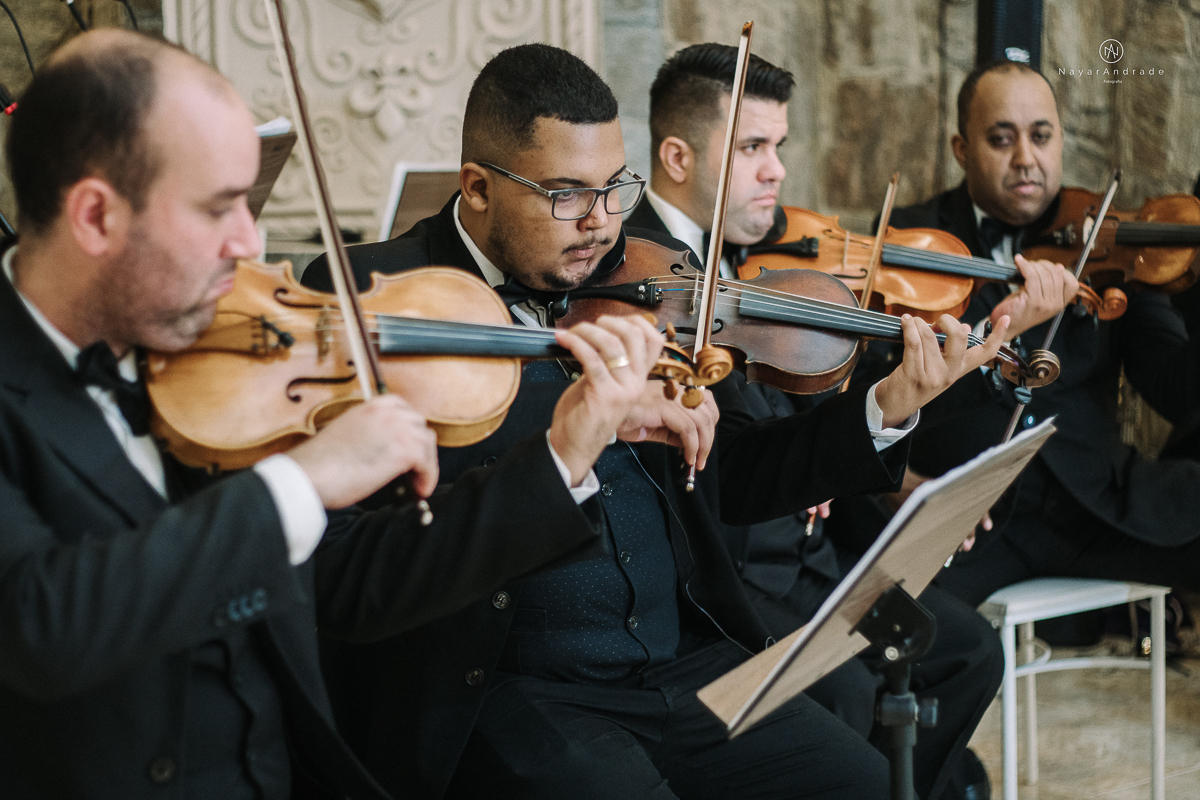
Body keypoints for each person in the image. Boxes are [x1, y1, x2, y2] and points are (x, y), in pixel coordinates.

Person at [303, 43, 1009, 800]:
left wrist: (888, 406)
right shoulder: (374, 293)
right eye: (567, 195)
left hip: (681, 663)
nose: (602, 224)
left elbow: (736, 475)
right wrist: (586, 418)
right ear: (477, 186)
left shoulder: (646, 272)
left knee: (867, 788)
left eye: (615, 188)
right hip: (511, 687)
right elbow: (365, 549)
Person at [0, 29, 679, 799]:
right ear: (95, 217)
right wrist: (297, 483)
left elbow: (356, 586)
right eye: (221, 208)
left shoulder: (203, 361)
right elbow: (39, 625)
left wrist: (563, 453)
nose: (250, 244)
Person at [629, 42, 1011, 800]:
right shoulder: (634, 280)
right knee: (846, 696)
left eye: (779, 146)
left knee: (967, 647)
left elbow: (818, 399)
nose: (776, 169)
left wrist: (927, 389)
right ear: (676, 155)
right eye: (752, 147)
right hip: (727, 573)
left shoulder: (744, 261)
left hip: (807, 556)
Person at [887, 59, 1200, 607]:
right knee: (897, 628)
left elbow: (1175, 389)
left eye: (1041, 136)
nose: (1026, 159)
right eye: (1001, 139)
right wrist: (1000, 326)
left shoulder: (1111, 243)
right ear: (963, 150)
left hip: (1100, 505)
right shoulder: (914, 243)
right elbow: (889, 390)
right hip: (971, 525)